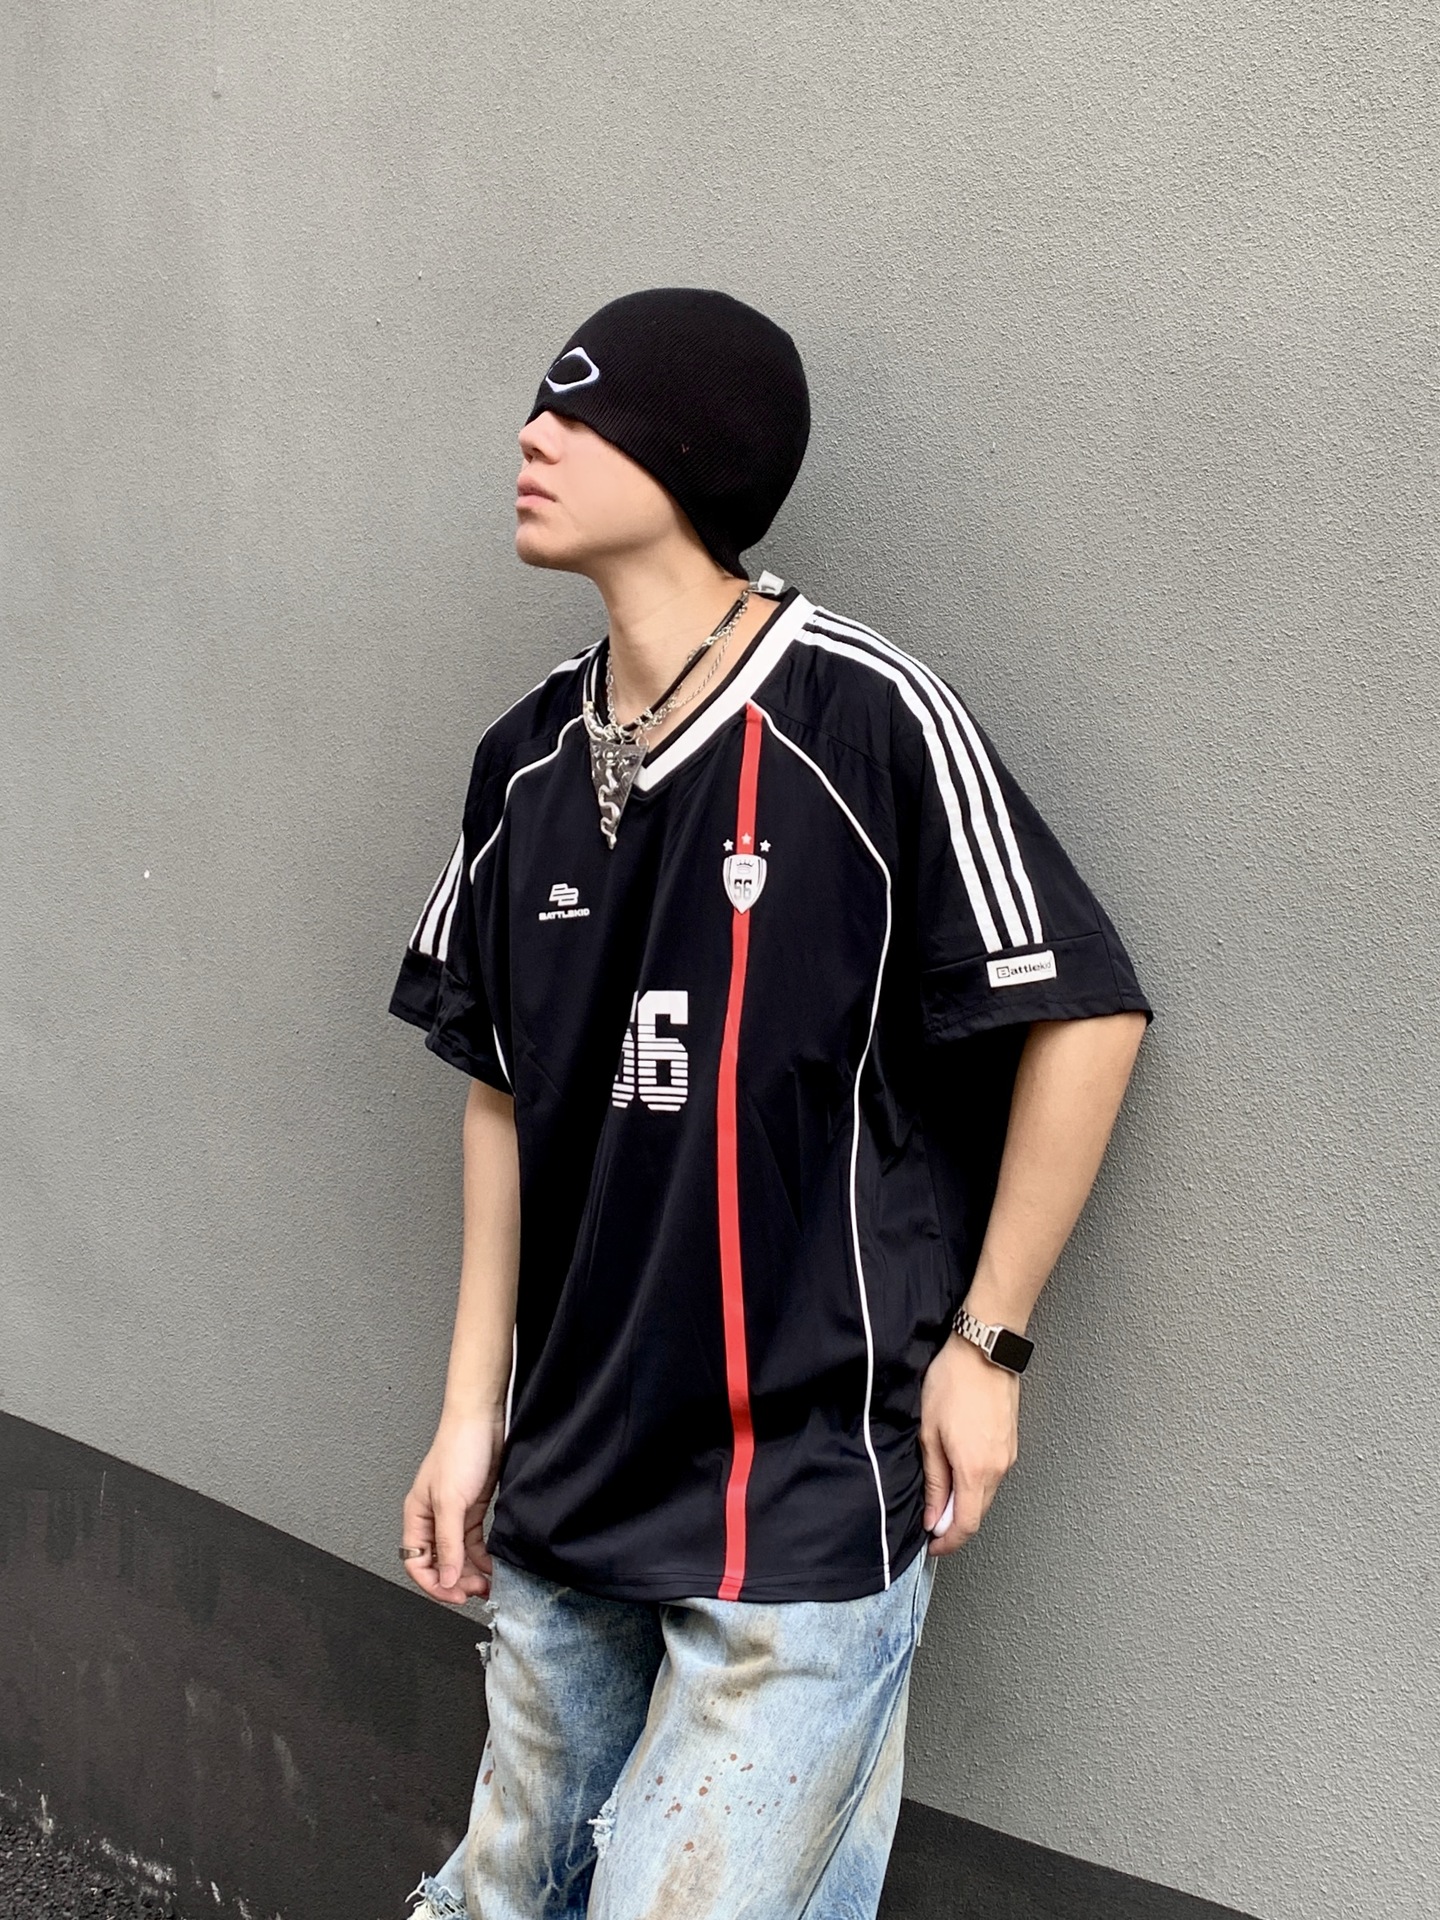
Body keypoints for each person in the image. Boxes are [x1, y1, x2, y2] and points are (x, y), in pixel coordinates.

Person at [389, 287, 1153, 1920]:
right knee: (506, 1892)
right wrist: (470, 1415)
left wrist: (991, 1344)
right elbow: (499, 1090)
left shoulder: (863, 717)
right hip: (571, 1475)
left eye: (579, 410)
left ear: (694, 453)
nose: (532, 436)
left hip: (795, 1495)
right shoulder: (523, 762)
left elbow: (1085, 1013)